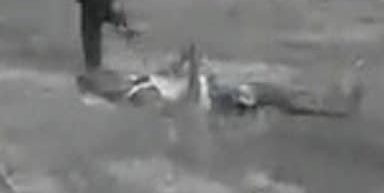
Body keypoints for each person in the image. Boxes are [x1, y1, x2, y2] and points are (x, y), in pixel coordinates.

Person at [76, 44, 365, 119]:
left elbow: (168, 76)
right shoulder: (139, 98)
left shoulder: (134, 83)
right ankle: (337, 108)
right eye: (104, 79)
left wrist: (182, 58)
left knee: (281, 97)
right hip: (217, 100)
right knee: (278, 97)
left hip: (215, 91)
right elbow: (182, 105)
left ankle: (334, 105)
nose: (110, 74)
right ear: (105, 91)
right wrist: (192, 70)